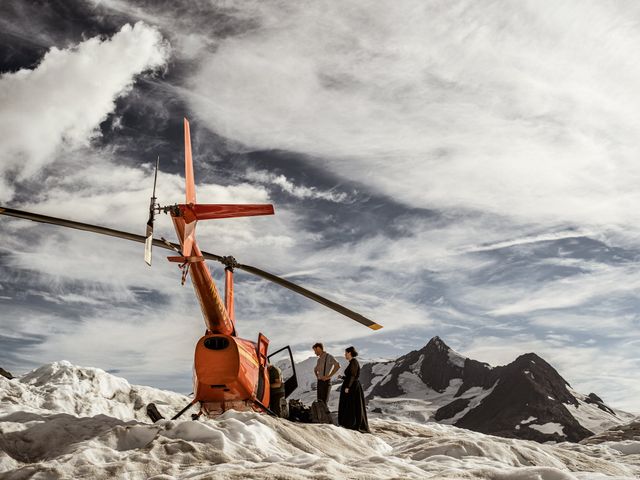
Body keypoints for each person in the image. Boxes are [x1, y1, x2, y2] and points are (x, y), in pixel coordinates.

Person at [338, 346, 369, 433]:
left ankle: (352, 424)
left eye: (345, 353)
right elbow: (350, 376)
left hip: (352, 387)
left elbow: (352, 376)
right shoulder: (352, 362)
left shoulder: (354, 362)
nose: (345, 355)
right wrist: (343, 377)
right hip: (352, 386)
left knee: (352, 405)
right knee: (350, 405)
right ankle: (350, 423)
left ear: (349, 353)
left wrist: (348, 387)